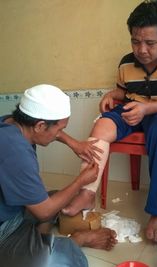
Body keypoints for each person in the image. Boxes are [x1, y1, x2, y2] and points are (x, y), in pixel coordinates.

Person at [61, 0, 157, 243]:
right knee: (102, 124)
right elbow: (125, 93)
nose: (142, 50)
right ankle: (87, 192)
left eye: (150, 43)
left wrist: (148, 108)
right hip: (133, 109)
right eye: (136, 41)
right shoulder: (126, 62)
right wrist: (112, 95)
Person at [0, 84, 117, 267]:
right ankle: (78, 240)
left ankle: (37, 234)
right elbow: (44, 210)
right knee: (52, 261)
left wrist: (74, 144)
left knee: (55, 198)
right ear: (40, 126)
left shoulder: (11, 123)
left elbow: (52, 130)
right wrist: (81, 181)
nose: (60, 133)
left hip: (12, 208)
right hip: (4, 226)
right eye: (59, 128)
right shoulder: (16, 151)